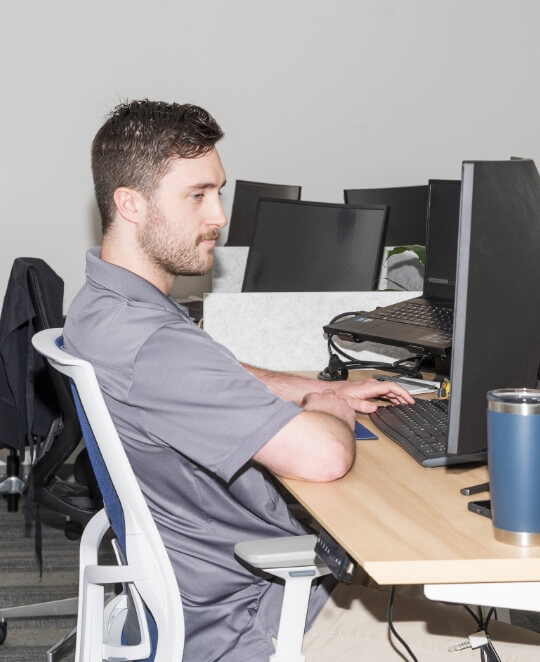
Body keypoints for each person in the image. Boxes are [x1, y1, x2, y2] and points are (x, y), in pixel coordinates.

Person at [64, 100, 540, 661]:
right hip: (262, 621)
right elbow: (323, 457)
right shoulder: (153, 345)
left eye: (218, 191)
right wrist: (322, 402)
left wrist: (319, 390)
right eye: (198, 196)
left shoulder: (107, 308)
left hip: (224, 590)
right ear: (131, 204)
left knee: (438, 582)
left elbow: (216, 375)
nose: (218, 216)